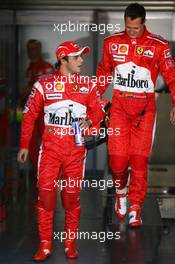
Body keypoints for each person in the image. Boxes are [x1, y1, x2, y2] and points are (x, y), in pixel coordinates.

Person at [17, 41, 105, 261]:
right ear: (63, 59)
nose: (82, 61)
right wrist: (24, 145)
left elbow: (99, 112)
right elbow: (29, 116)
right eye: (76, 57)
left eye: (82, 57)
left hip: (75, 152)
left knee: (70, 198)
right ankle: (45, 244)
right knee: (46, 197)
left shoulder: (89, 84)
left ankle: (70, 243)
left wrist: (90, 123)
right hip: (49, 151)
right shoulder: (43, 84)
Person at [96, 3, 175, 227]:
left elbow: (172, 75)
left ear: (143, 23)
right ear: (125, 22)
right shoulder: (111, 43)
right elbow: (103, 74)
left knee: (139, 162)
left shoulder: (159, 45)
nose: (131, 31)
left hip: (145, 111)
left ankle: (135, 207)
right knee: (118, 161)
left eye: (135, 28)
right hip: (119, 109)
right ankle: (121, 194)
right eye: (128, 27)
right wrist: (91, 102)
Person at [17, 39, 54, 175]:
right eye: (29, 49)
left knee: (47, 140)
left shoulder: (46, 67)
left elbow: (50, 88)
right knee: (31, 142)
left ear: (39, 49)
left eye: (33, 48)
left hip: (45, 111)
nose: (30, 52)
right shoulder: (29, 69)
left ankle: (47, 171)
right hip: (33, 111)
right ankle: (38, 170)